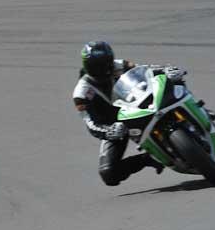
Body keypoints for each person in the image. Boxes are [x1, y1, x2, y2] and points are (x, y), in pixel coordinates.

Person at [72, 41, 203, 186]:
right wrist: (109, 131)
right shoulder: (81, 93)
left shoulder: (119, 65)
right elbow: (91, 123)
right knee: (108, 173)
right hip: (117, 126)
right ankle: (149, 158)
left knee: (174, 79)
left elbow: (146, 70)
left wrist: (166, 69)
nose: (103, 69)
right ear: (87, 66)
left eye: (105, 64)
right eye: (96, 66)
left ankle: (195, 108)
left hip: (139, 105)